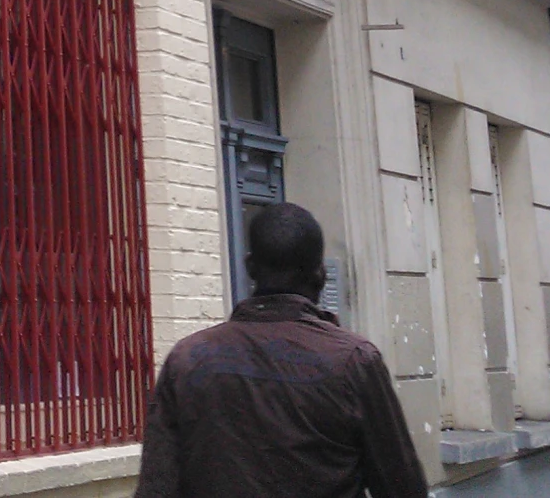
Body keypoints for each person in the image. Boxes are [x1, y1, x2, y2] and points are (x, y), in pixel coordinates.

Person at [135, 202, 426, 498]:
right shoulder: (354, 361)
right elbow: (401, 485)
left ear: (250, 267)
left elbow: (157, 486)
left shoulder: (187, 360)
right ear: (320, 274)